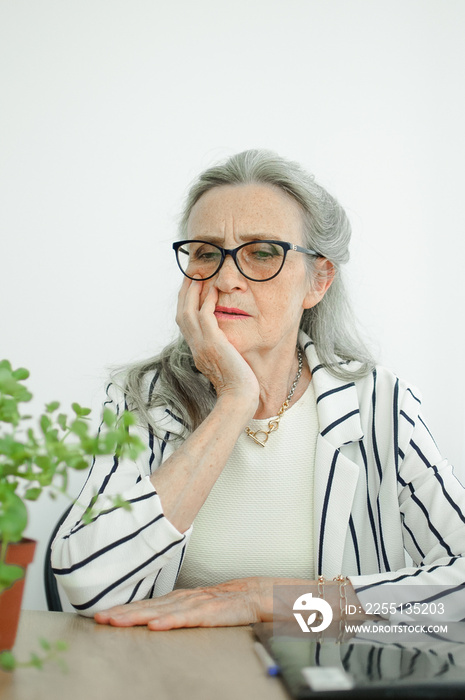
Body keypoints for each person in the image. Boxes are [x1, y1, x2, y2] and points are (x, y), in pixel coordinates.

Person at [51, 149, 465, 631]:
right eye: (206, 253)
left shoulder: (381, 404)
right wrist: (234, 402)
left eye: (263, 252)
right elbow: (87, 586)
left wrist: (271, 599)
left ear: (318, 280)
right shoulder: (143, 397)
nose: (226, 279)